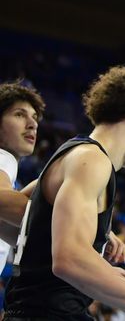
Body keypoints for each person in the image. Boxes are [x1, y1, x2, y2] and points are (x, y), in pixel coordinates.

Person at [4, 65, 125, 321]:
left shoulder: (74, 154)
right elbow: (68, 260)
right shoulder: (92, 160)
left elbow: (35, 229)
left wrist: (100, 269)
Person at [0, 82, 46, 271]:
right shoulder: (4, 158)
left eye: (34, 118)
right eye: (19, 114)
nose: (33, 124)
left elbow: (17, 235)